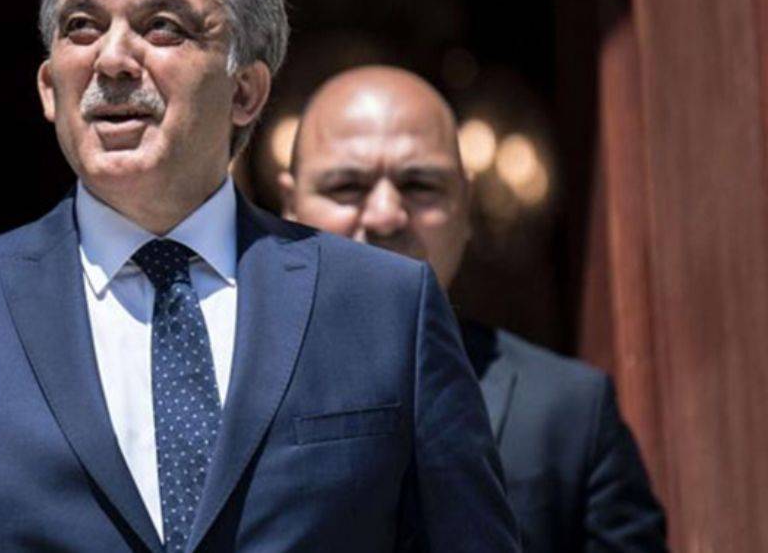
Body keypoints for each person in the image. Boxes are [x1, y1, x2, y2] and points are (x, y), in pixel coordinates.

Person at [0, 0, 519, 552]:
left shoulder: (385, 307)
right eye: (82, 26)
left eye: (163, 27)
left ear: (246, 91)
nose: (113, 60)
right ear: (48, 87)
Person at [280, 64, 668, 552]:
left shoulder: (570, 413)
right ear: (289, 206)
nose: (385, 216)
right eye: (346, 187)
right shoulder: (224, 397)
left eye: (420, 185)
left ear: (465, 204)